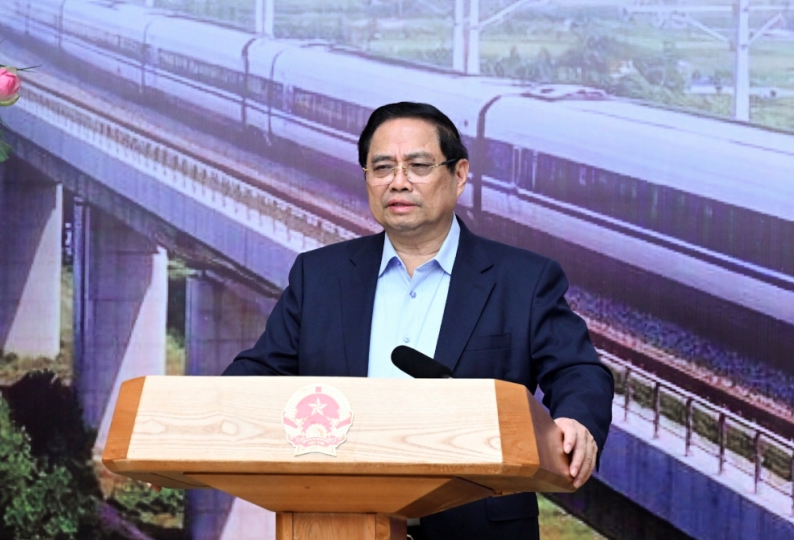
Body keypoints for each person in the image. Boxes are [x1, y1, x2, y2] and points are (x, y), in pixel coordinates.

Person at [223, 102, 614, 540]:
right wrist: (205, 416)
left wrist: (578, 420)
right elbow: (258, 373)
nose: (398, 182)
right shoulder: (319, 276)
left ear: (460, 174)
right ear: (367, 178)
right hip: (336, 524)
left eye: (419, 166)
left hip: (475, 530)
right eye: (382, 167)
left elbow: (578, 370)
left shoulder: (522, 280)